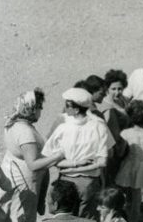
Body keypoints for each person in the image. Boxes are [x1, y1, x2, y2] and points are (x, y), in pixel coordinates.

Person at [42, 88, 114, 219]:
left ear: (76, 109)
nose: (64, 108)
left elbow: (49, 157)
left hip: (65, 183)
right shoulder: (100, 125)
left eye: (67, 105)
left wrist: (70, 165)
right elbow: (108, 154)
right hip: (90, 183)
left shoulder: (63, 128)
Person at [0, 88, 64, 222]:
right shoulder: (25, 132)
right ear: (31, 109)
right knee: (22, 216)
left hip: (13, 175)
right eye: (39, 108)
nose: (40, 112)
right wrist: (59, 156)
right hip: (24, 183)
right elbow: (33, 164)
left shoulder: (14, 124)